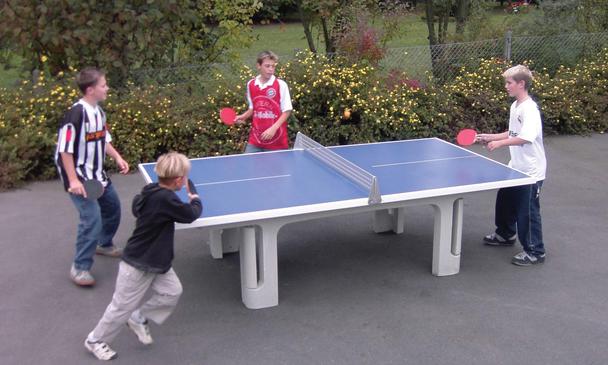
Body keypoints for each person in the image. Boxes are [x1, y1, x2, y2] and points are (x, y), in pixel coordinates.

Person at [84, 152, 203, 361]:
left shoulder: (151, 190)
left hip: (157, 260)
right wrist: (194, 198)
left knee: (172, 292)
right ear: (178, 181)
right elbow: (190, 214)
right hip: (138, 263)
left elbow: (136, 205)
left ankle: (138, 317)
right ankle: (95, 340)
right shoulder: (166, 199)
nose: (184, 180)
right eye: (184, 177)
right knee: (121, 307)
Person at [55, 67, 129, 286]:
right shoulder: (76, 114)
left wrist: (117, 157)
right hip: (78, 177)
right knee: (91, 220)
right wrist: (74, 181)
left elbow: (102, 139)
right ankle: (80, 267)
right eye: (103, 85)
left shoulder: (98, 111)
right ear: (90, 89)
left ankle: (103, 244)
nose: (107, 88)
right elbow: (64, 150)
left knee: (113, 208)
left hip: (98, 175)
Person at [477, 64, 547, 266]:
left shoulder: (529, 109)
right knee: (505, 202)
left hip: (531, 172)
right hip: (515, 167)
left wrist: (499, 144)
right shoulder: (515, 106)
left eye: (509, 83)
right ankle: (505, 234)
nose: (506, 86)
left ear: (521, 84)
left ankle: (535, 251)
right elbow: (513, 133)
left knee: (527, 212)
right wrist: (490, 136)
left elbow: (526, 137)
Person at [234, 50, 293, 152]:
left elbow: (287, 111)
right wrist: (243, 116)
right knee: (249, 167)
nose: (271, 69)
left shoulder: (280, 85)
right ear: (258, 66)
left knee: (276, 169)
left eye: (273, 66)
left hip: (277, 142)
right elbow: (253, 108)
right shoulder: (251, 84)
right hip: (256, 140)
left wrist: (273, 128)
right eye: (267, 66)